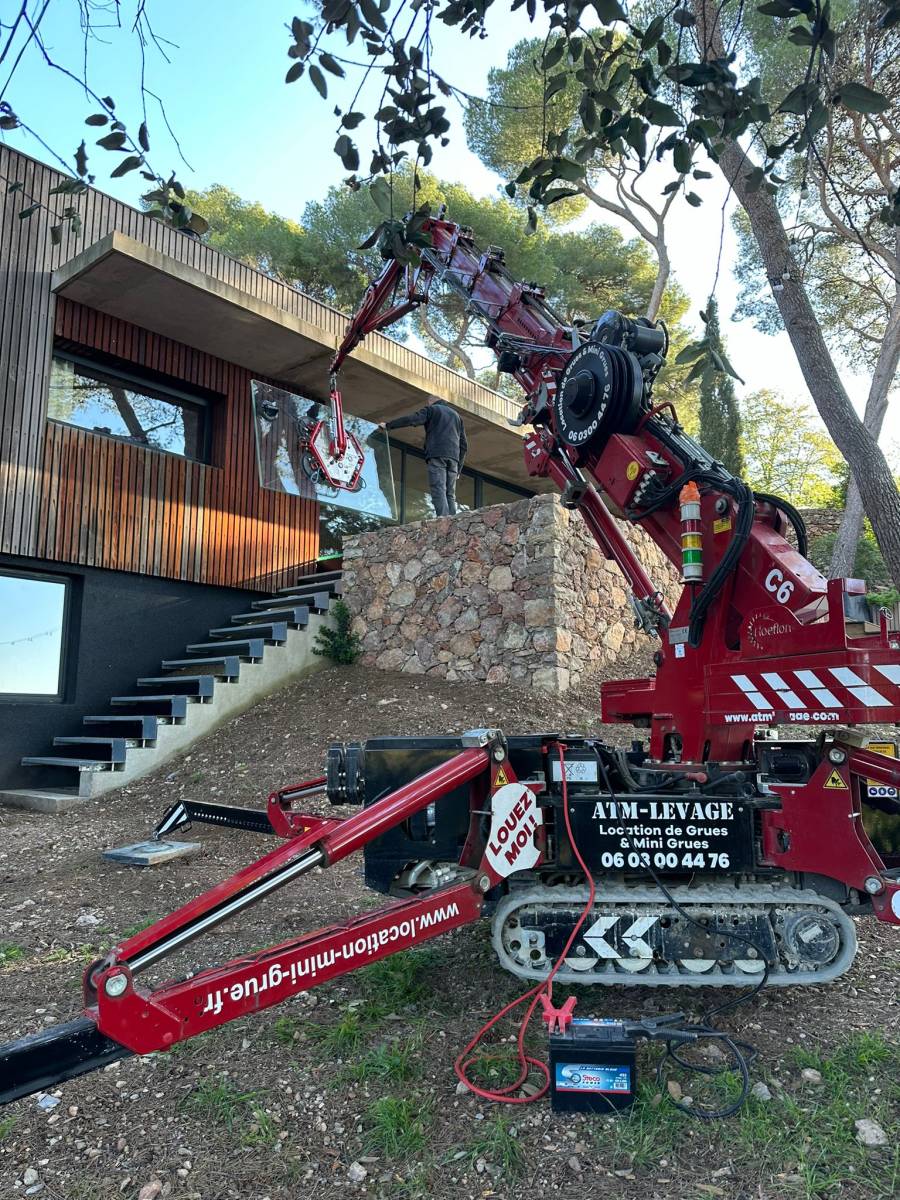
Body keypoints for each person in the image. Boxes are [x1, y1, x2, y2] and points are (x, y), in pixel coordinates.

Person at [379, 394, 468, 517]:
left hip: (437, 454)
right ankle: (453, 521)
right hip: (454, 458)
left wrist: (389, 425)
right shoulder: (457, 416)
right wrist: (459, 468)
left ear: (431, 401)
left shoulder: (432, 409)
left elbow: (412, 419)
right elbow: (464, 445)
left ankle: (443, 520)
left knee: (439, 488)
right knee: (450, 493)